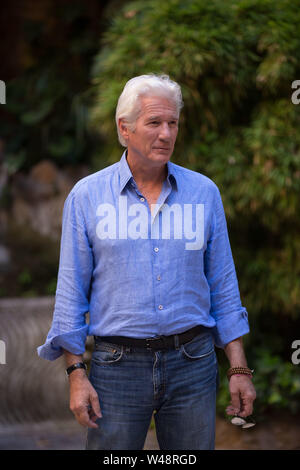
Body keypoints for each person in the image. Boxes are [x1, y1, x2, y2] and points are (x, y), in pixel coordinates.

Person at [37, 73, 256, 450]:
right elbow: (71, 294)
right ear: (125, 128)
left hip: (194, 362)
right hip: (117, 367)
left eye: (173, 123)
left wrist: (238, 367)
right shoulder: (87, 197)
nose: (167, 134)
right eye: (154, 122)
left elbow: (223, 283)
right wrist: (76, 374)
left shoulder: (204, 192)